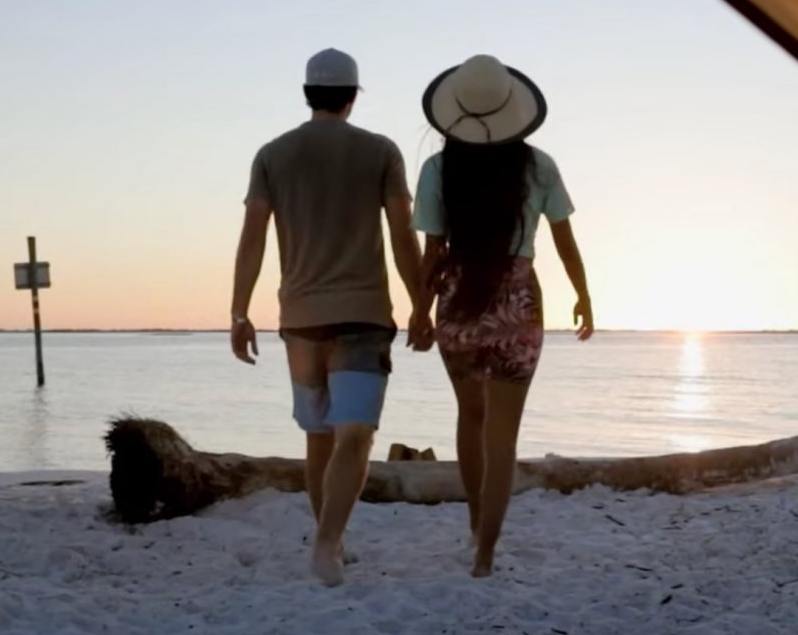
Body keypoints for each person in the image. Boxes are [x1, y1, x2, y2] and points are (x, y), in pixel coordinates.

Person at [230, 48, 429, 586]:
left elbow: (253, 237)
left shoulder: (272, 154)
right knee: (354, 438)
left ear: (307, 93)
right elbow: (400, 234)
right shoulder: (380, 151)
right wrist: (420, 302)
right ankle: (326, 545)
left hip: (300, 319)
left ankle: (330, 542)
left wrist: (239, 310)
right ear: (352, 95)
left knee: (320, 438)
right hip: (362, 313)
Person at [412, 55, 594, 578]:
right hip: (518, 303)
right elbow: (565, 244)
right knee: (503, 434)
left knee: (470, 418)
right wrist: (584, 294)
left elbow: (432, 251)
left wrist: (420, 311)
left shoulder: (438, 169)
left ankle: (475, 524)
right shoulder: (538, 165)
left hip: (459, 301)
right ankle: (486, 553)